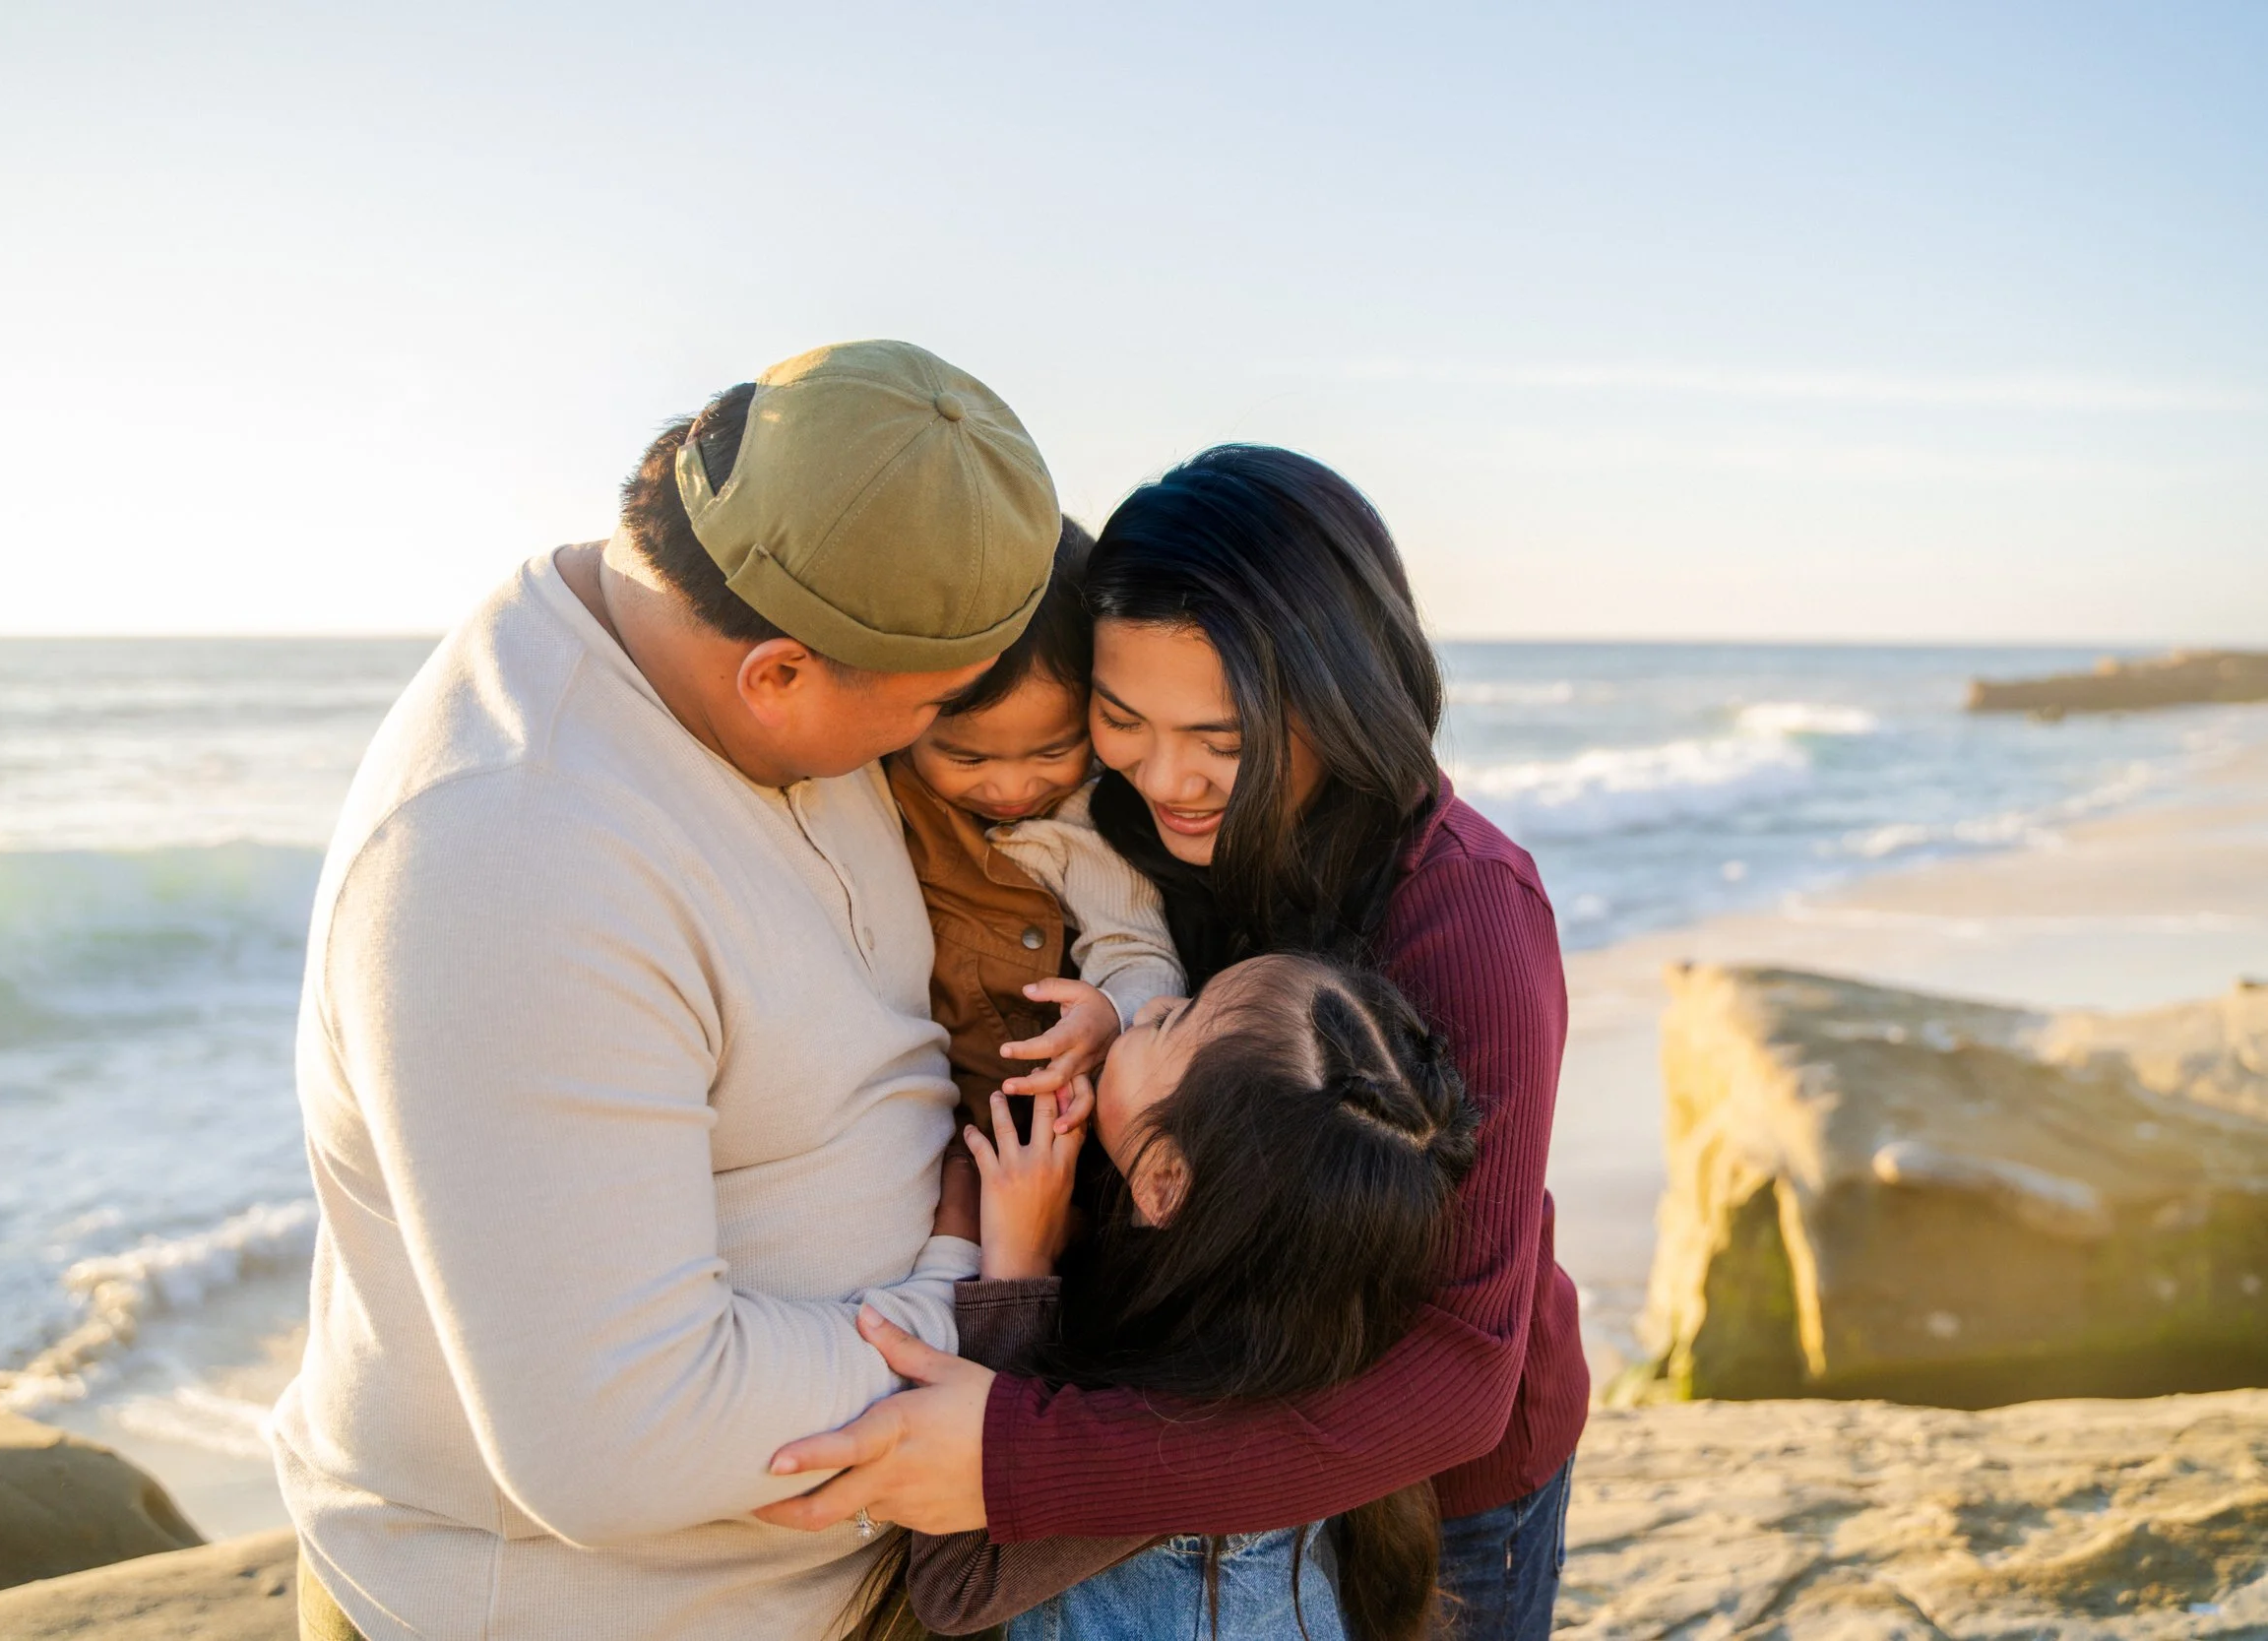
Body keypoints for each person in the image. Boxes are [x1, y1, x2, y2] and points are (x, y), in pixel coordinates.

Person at [270, 340, 1059, 1641]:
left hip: (855, 1567)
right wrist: (976, 1299)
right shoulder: (516, 850)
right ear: (780, 673)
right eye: (927, 710)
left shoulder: (748, 667)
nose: (935, 747)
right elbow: (623, 1434)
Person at [758, 444, 1587, 1641]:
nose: (1167, 775)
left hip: (1424, 1490)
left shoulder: (1463, 912)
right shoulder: (1120, 824)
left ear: (1344, 693)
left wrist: (1022, 1461)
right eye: (1120, 717)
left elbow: (1457, 1375)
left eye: (1226, 736)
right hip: (1176, 1410)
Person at [874, 952, 1480, 1641]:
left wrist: (1014, 1266)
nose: (1150, 1005)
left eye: (1174, 1020)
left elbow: (956, 1584)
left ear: (1165, 1181)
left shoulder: (1174, 1442)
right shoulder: (1272, 1311)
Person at [886, 516, 1183, 1130]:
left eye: (1054, 752)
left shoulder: (1087, 823)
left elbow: (1135, 948)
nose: (1013, 788)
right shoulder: (878, 783)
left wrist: (1109, 1012)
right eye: (967, 757)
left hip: (1033, 1124)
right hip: (919, 1107)